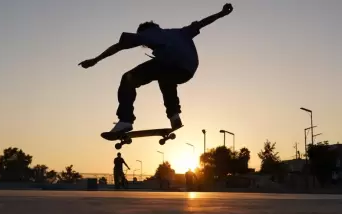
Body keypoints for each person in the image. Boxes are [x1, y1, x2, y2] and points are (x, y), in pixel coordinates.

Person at [78, 3, 234, 133]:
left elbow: (119, 46)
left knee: (128, 78)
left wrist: (96, 59)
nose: (147, 46)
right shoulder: (180, 32)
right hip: (188, 70)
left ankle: (125, 120)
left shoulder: (147, 34)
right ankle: (174, 115)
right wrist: (221, 13)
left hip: (170, 67)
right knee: (165, 77)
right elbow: (202, 23)